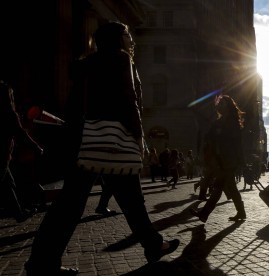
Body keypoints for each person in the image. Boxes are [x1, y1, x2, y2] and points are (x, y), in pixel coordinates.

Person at [25, 22, 179, 275]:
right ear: (119, 38)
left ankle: (41, 262)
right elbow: (128, 101)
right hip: (112, 141)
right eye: (128, 35)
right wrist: (139, 136)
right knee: (131, 201)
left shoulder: (88, 64)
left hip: (85, 141)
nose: (131, 39)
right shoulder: (121, 60)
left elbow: (75, 105)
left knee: (70, 204)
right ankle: (154, 245)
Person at [190, 94, 246, 222]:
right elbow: (209, 138)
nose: (219, 106)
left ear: (228, 107)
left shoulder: (232, 123)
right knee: (232, 188)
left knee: (218, 187)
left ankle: (204, 213)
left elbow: (238, 144)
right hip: (219, 160)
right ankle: (241, 212)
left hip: (228, 161)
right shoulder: (217, 122)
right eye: (218, 104)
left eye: (222, 104)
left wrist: (242, 162)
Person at [0, 80, 43, 223]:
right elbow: (21, 134)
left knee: (8, 183)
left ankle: (18, 213)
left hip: (5, 156)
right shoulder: (9, 114)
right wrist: (36, 147)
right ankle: (18, 213)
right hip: (2, 156)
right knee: (6, 183)